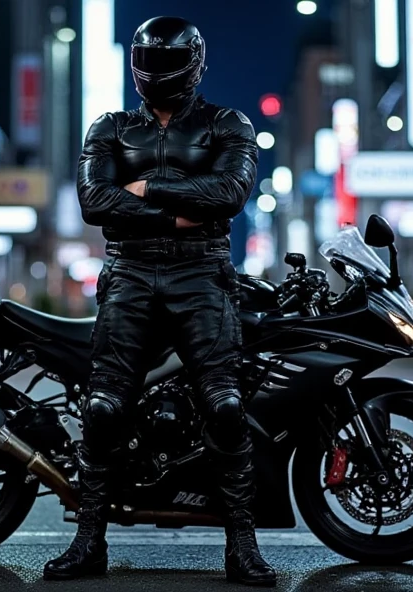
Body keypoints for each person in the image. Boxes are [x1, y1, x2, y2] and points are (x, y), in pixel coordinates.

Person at [43, 16, 275, 586]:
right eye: (151, 68)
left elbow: (230, 194)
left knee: (225, 406)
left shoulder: (230, 124)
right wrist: (180, 206)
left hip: (202, 271)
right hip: (130, 272)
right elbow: (94, 201)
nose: (158, 78)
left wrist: (145, 187)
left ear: (195, 67)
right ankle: (88, 540)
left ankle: (241, 545)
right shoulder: (109, 126)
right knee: (102, 407)